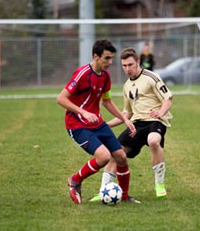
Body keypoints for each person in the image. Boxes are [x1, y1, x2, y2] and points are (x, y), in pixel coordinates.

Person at [57, 39, 139, 204]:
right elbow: (61, 99)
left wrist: (124, 119)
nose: (110, 62)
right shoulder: (82, 73)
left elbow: (107, 102)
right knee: (103, 156)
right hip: (77, 124)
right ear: (95, 56)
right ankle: (75, 180)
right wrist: (83, 112)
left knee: (121, 156)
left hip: (97, 123)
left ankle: (124, 196)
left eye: (111, 59)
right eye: (106, 58)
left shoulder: (105, 76)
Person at [91, 47, 173, 201]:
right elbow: (127, 114)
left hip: (155, 120)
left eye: (130, 65)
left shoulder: (152, 77)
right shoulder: (127, 86)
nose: (127, 69)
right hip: (136, 124)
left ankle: (159, 184)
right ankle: (103, 190)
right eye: (124, 66)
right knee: (116, 152)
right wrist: (106, 125)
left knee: (153, 141)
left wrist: (160, 113)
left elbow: (168, 99)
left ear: (138, 62)